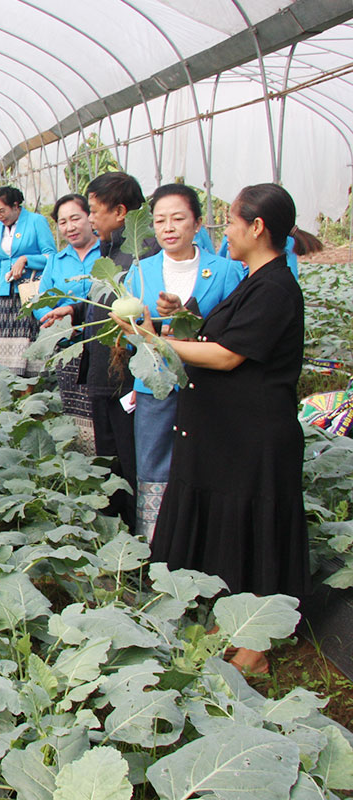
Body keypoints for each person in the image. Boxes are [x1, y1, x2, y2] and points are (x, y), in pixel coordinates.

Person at [114, 184, 307, 675]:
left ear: (257, 228)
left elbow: (226, 354)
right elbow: (216, 332)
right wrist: (180, 317)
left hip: (257, 434)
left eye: (234, 221)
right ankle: (236, 623)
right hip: (233, 434)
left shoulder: (276, 287)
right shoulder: (255, 280)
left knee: (259, 532)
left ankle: (257, 647)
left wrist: (154, 339)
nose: (229, 230)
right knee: (237, 529)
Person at [121, 185, 244, 540]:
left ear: (198, 224)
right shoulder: (139, 272)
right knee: (154, 465)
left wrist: (187, 318)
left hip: (208, 383)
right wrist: (148, 328)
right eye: (160, 220)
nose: (168, 228)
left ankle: (204, 543)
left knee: (207, 461)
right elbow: (130, 334)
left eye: (178, 219)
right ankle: (156, 544)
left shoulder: (224, 271)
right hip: (155, 385)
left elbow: (232, 331)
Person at [42, 172, 152, 531]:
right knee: (110, 454)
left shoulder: (141, 256)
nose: (88, 220)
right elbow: (104, 302)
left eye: (93, 211)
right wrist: (73, 310)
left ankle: (136, 530)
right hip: (106, 374)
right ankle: (113, 526)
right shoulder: (112, 251)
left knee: (130, 456)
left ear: (121, 212)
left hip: (127, 378)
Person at [34, 194, 101, 453]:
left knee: (100, 407)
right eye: (63, 222)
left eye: (75, 218)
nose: (70, 227)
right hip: (68, 344)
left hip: (101, 341)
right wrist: (60, 323)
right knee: (74, 406)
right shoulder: (56, 261)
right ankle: (80, 464)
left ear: (90, 218)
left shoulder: (107, 253)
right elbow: (41, 301)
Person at [0, 186, 56, 376]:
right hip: (6, 295)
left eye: (2, 211)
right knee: (8, 344)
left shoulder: (36, 221)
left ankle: (31, 388)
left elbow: (51, 256)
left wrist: (26, 259)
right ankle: (12, 386)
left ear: (15, 206)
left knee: (30, 341)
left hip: (30, 293)